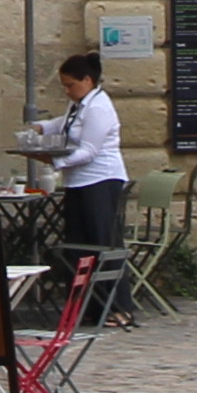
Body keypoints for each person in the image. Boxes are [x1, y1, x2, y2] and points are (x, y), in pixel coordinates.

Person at [37, 48, 128, 285]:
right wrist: (43, 127)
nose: (67, 91)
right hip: (77, 181)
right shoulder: (79, 104)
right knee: (79, 244)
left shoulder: (98, 107)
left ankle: (116, 306)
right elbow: (67, 124)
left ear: (87, 80)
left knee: (101, 241)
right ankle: (85, 302)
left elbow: (89, 150)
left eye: (70, 85)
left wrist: (57, 162)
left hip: (100, 179)